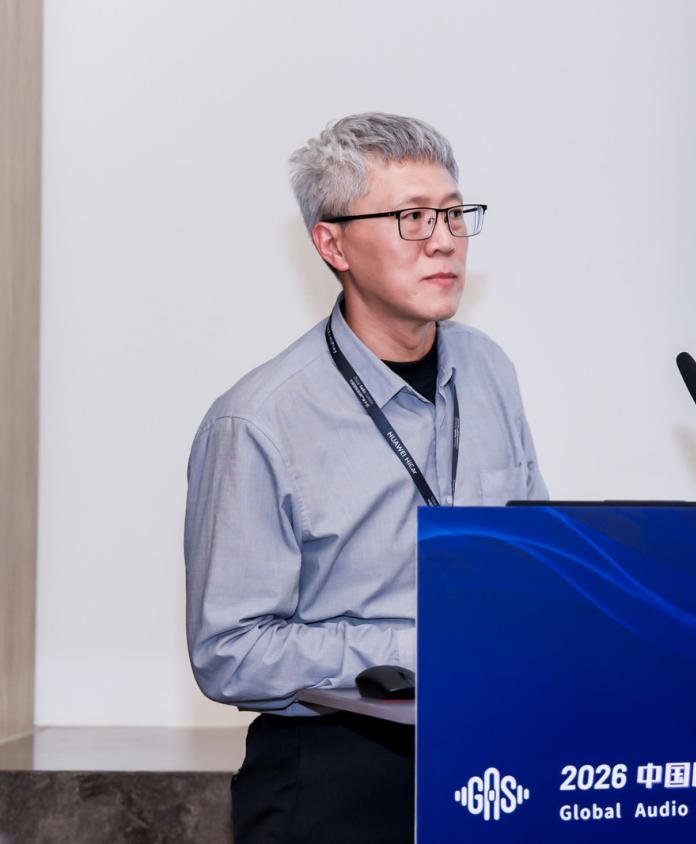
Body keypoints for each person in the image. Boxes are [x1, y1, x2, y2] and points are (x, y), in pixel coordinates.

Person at [183, 112, 547, 843]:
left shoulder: (489, 370)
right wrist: (421, 649)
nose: (443, 240)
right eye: (412, 218)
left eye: (454, 214)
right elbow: (230, 652)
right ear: (333, 244)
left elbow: (534, 553)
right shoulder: (257, 421)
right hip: (336, 774)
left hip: (491, 761)